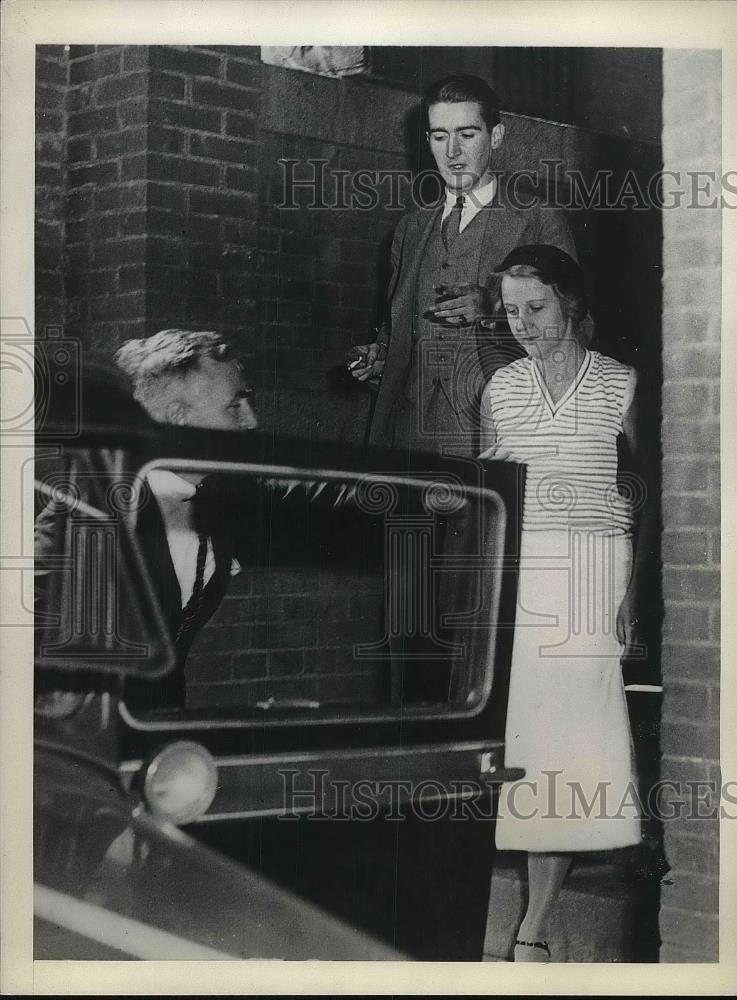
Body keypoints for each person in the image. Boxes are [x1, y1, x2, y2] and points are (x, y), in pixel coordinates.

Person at [478, 245, 649, 962]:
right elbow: (485, 504)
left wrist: (634, 595)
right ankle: (531, 926)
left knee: (573, 751)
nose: (523, 324)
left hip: (592, 575)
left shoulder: (621, 383)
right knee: (526, 750)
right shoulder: (500, 389)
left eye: (536, 308)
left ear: (570, 304)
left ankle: (534, 925)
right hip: (520, 580)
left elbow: (647, 499)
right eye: (511, 311)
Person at [350, 75, 576, 458]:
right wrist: (379, 358)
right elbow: (398, 328)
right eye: (439, 136)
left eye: (467, 135)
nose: (452, 151)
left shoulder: (538, 220)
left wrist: (494, 308)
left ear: (497, 136)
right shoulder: (411, 228)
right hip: (410, 430)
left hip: (498, 429)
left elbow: (576, 328)